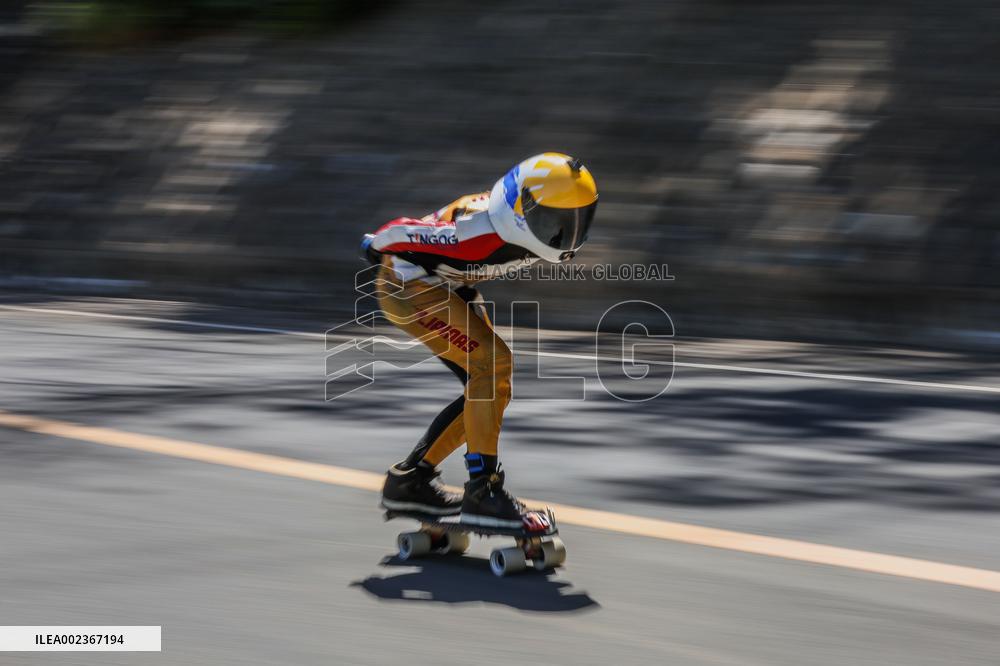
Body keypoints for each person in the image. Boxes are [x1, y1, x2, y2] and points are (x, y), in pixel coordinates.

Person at [360, 152, 598, 528]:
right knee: (491, 365)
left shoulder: (514, 221)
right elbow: (401, 231)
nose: (566, 234)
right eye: (555, 221)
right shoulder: (479, 232)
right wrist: (375, 245)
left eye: (577, 220)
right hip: (410, 290)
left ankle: (410, 482)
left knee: (491, 386)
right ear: (522, 210)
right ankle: (483, 491)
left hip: (453, 288)